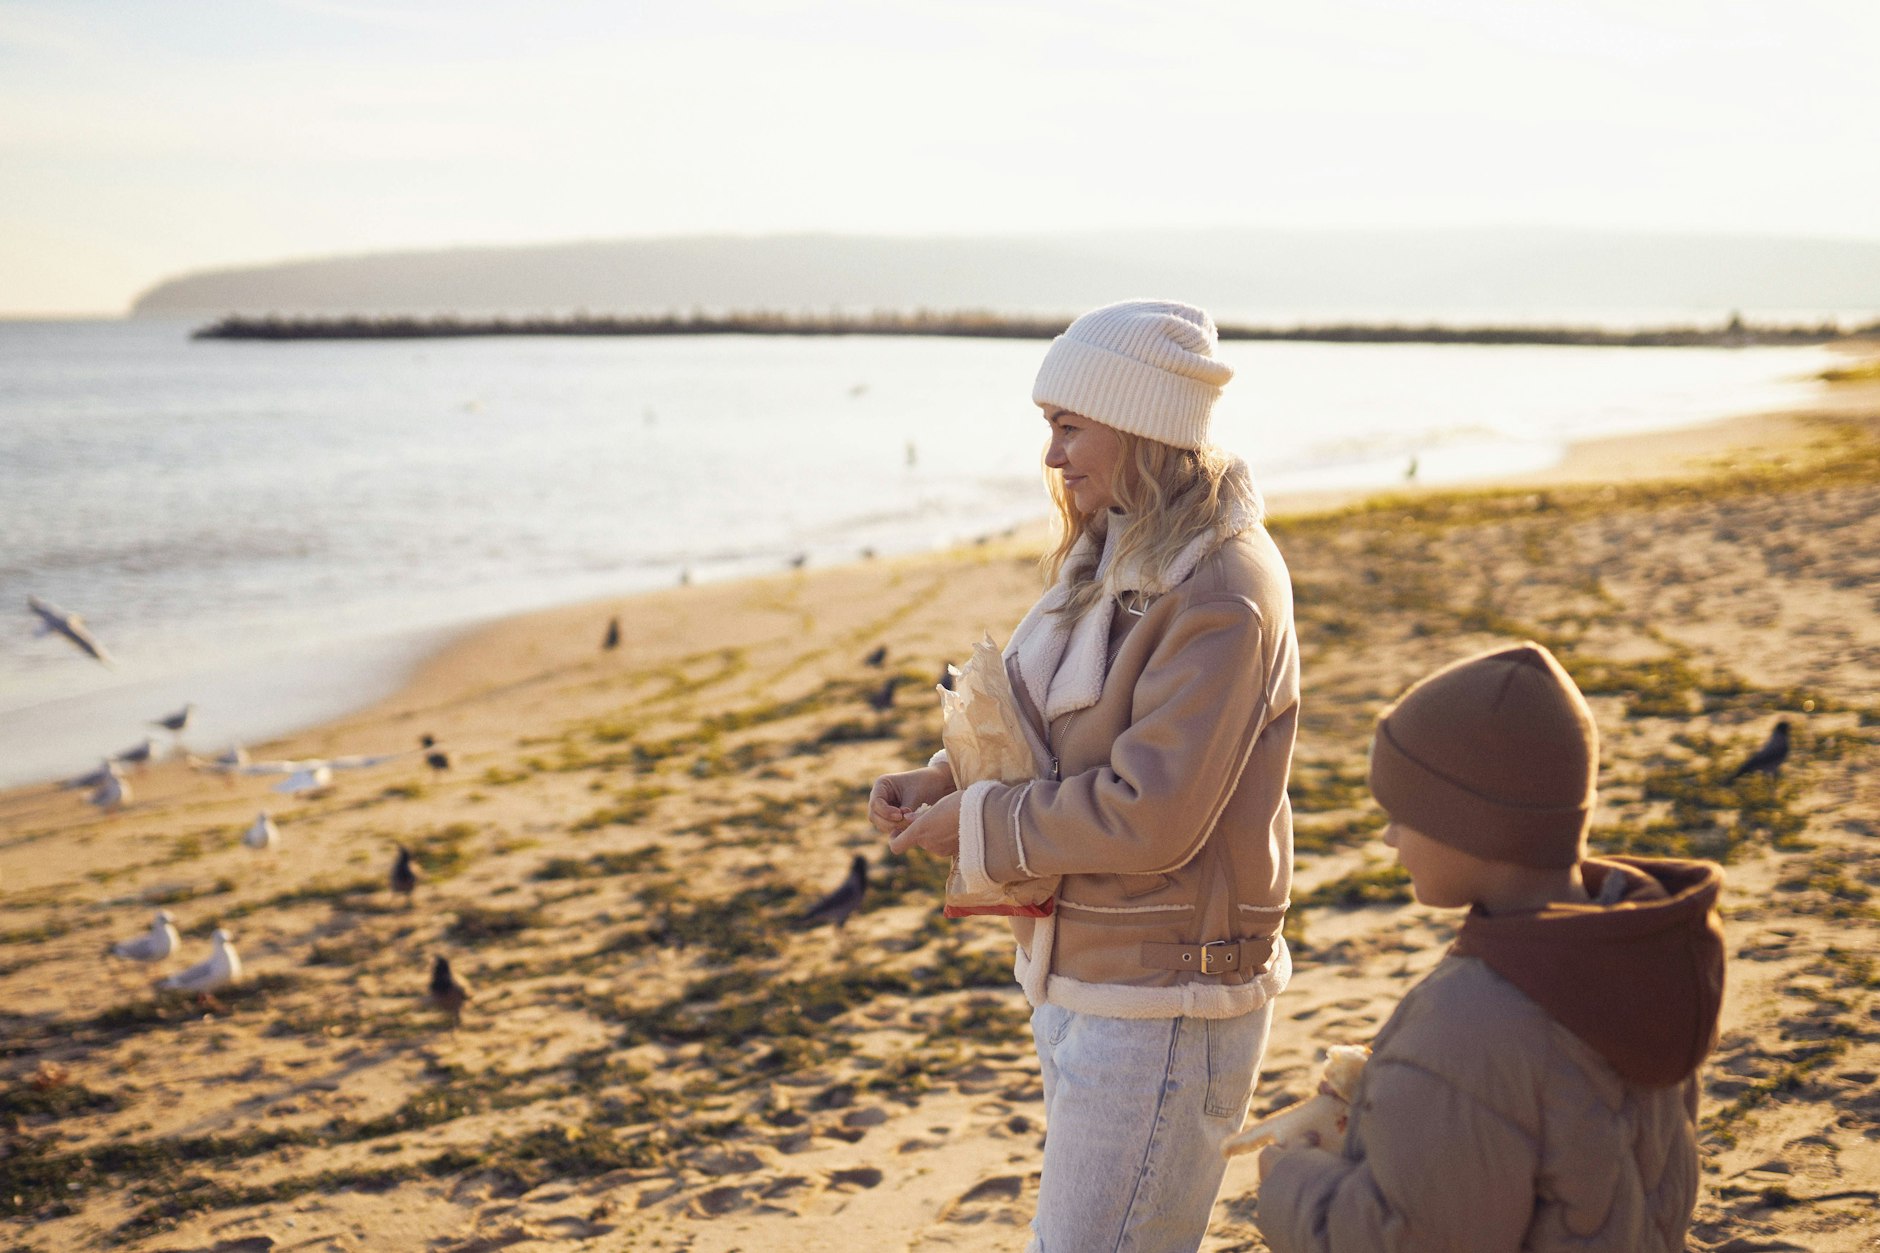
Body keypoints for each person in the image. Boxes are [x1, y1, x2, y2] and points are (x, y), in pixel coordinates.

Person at [870, 298, 1301, 1251]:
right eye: (1050, 430)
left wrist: (978, 826)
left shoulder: (1221, 589)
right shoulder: (1116, 553)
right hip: (1086, 977)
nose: (1053, 457)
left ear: (1142, 427)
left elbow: (1153, 816)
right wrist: (947, 779)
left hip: (1169, 997)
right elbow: (1059, 735)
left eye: (1070, 427)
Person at [1256, 641, 1726, 1253]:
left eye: (1404, 813)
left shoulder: (1464, 1030)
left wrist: (1289, 1185)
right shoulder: (1641, 961)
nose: (1390, 836)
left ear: (1475, 828)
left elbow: (1414, 1240)